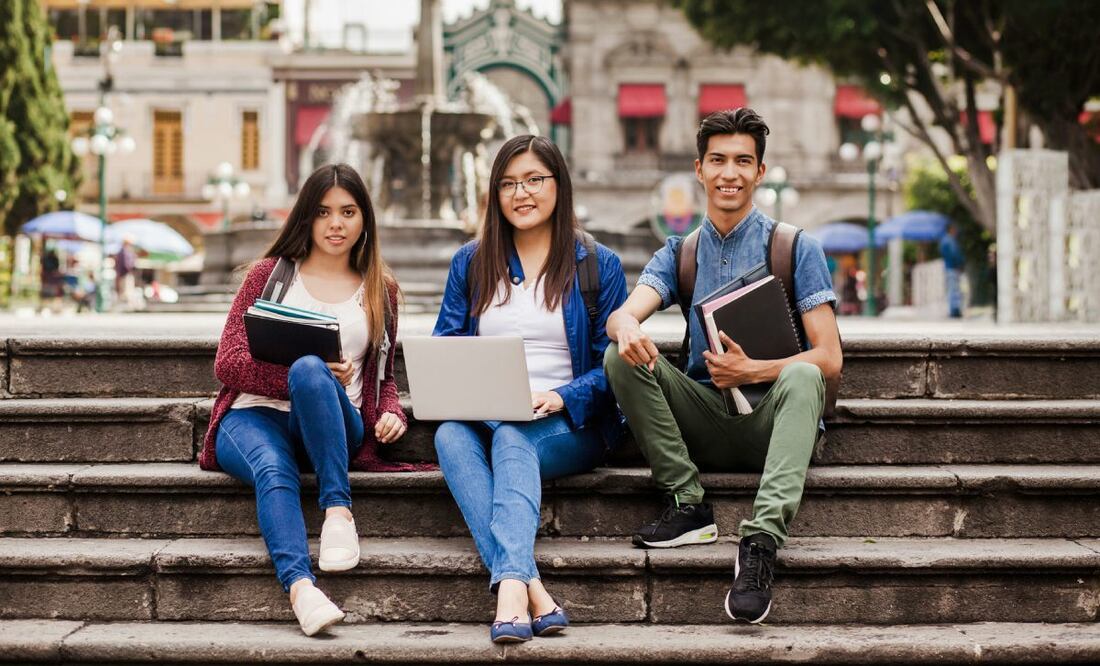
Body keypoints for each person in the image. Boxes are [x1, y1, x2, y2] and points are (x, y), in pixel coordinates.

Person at [603, 108, 843, 625]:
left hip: (772, 423)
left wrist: (753, 371)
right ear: (699, 169)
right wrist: (624, 325)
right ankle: (688, 504)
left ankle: (759, 543)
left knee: (802, 374)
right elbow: (626, 310)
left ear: (760, 172)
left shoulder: (796, 247)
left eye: (742, 161)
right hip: (704, 418)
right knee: (617, 354)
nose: (728, 172)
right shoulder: (679, 253)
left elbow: (829, 358)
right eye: (717, 160)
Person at [199, 163, 426, 637]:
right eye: (323, 212)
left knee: (310, 371)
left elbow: (382, 374)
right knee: (277, 457)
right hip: (253, 417)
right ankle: (302, 589)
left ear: (365, 218)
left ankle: (338, 512)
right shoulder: (269, 276)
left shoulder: (380, 290)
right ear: (306, 216)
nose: (336, 223)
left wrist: (390, 409)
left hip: (334, 422)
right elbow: (229, 363)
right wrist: (306, 374)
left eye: (348, 211)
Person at [432, 135, 628, 643]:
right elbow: (446, 347)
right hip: (485, 413)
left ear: (558, 186)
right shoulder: (471, 263)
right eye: (508, 183)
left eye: (534, 180)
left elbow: (614, 365)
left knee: (513, 436)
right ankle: (525, 584)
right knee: (449, 437)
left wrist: (563, 396)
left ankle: (511, 591)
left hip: (570, 420)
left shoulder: (596, 264)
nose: (522, 193)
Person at [939, 222, 964, 318]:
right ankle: (955, 310)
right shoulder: (950, 240)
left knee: (951, 288)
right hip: (953, 267)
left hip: (948, 267)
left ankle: (953, 309)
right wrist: (959, 264)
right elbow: (954, 254)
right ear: (950, 229)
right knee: (954, 289)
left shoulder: (944, 240)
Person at [114, 236, 137, 310]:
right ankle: (127, 306)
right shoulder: (124, 252)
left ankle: (128, 306)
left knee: (127, 290)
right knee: (126, 291)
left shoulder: (125, 251)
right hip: (125, 274)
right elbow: (126, 264)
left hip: (124, 274)